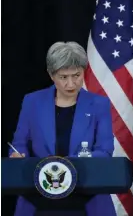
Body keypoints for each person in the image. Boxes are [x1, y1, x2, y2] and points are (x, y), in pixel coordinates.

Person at [9, 42, 116, 216]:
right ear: (51, 75)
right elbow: (19, 143)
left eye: (76, 75)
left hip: (87, 194)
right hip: (39, 194)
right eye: (63, 77)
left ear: (84, 72)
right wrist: (17, 155)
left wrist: (66, 165)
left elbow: (105, 150)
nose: (71, 83)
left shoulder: (99, 104)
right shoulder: (32, 102)